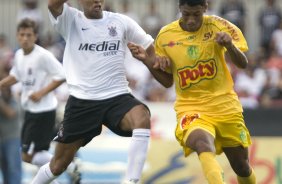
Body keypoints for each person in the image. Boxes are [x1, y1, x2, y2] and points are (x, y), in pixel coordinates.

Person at [128, 0, 257, 183]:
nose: (190, 20)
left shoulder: (219, 25)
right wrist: (147, 61)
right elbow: (167, 82)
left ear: (205, 7)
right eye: (186, 14)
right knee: (202, 144)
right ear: (179, 9)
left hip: (225, 106)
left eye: (196, 14)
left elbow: (243, 64)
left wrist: (230, 46)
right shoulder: (166, 36)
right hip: (191, 106)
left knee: (242, 167)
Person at [31, 0, 154, 183]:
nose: (97, 0)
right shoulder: (71, 19)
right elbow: (52, 4)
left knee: (141, 117)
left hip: (117, 96)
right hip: (83, 101)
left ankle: (132, 181)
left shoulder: (121, 22)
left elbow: (151, 49)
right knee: (58, 165)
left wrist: (157, 61)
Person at [0, 18, 81, 183]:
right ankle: (63, 172)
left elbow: (61, 75)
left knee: (27, 155)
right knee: (32, 155)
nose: (25, 38)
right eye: (22, 35)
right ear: (17, 36)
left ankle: (68, 166)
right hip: (31, 111)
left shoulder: (43, 56)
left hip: (43, 111)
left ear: (35, 36)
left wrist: (41, 93)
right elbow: (16, 75)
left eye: (29, 35)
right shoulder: (19, 55)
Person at [0, 71, 22, 184]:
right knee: (4, 170)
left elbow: (10, 113)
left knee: (13, 168)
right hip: (2, 138)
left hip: (12, 138)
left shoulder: (13, 98)